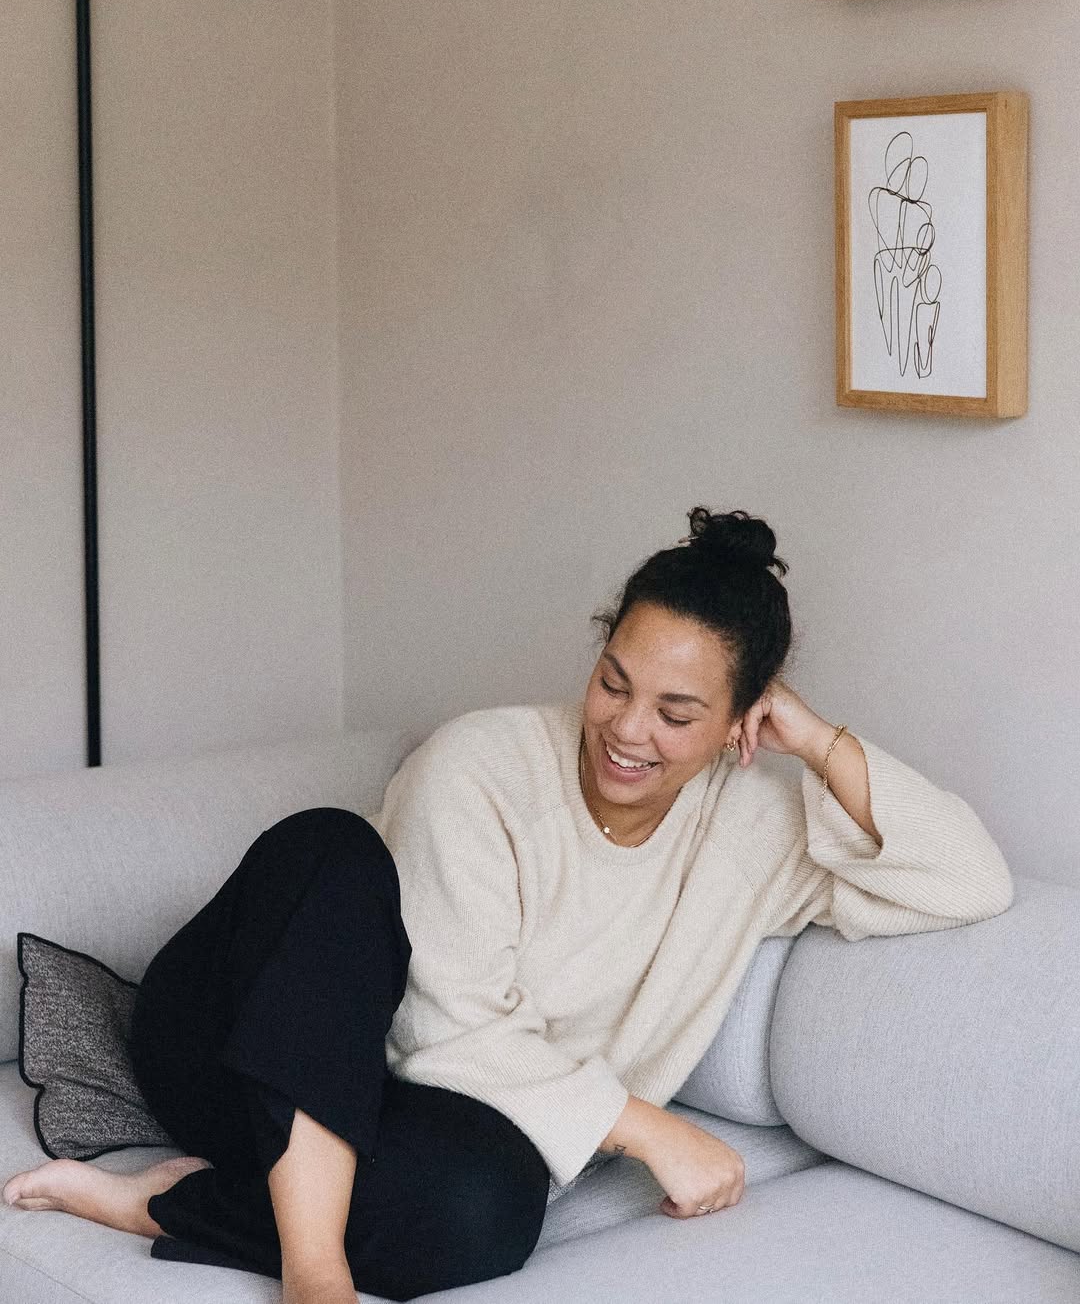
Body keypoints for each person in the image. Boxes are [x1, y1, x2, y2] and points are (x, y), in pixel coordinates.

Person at [1, 506, 1013, 1303]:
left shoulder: (751, 832)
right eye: (614, 683)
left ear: (740, 720)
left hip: (399, 1115)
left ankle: (169, 1203)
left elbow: (967, 877)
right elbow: (439, 1024)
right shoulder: (479, 765)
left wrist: (818, 739)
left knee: (488, 1208)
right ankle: (314, 1276)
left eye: (677, 712)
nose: (628, 729)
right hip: (240, 1044)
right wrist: (643, 1127)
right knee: (332, 847)